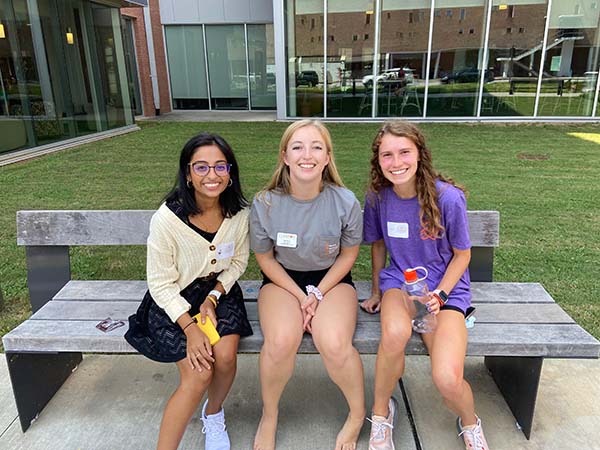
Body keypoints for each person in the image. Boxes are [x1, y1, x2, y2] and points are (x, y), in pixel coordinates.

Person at [361, 121, 490, 450]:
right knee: (394, 334)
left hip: (444, 293)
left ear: (419, 154)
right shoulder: (378, 197)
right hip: (400, 286)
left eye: (404, 152)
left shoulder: (448, 198)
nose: (396, 162)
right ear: (378, 161)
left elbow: (463, 255)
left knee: (447, 379)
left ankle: (470, 422)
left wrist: (441, 294)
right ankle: (381, 413)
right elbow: (377, 245)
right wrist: (377, 290)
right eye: (387, 155)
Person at [125, 132, 253, 450]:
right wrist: (191, 327)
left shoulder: (239, 214)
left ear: (231, 172)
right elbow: (159, 283)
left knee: (224, 357)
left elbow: (237, 262)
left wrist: (214, 297)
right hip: (174, 301)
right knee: (198, 375)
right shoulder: (167, 220)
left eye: (220, 166)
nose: (212, 175)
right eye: (201, 167)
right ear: (188, 173)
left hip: (218, 294)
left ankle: (213, 415)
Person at [250, 120, 365, 450]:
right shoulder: (266, 203)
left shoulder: (345, 201)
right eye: (298, 147)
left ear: (328, 157)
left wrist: (317, 293)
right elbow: (266, 259)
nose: (307, 155)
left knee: (333, 342)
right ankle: (269, 415)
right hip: (283, 280)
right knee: (281, 340)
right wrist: (301, 295)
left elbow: (348, 256)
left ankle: (357, 415)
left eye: (317, 147)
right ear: (285, 156)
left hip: (332, 280)